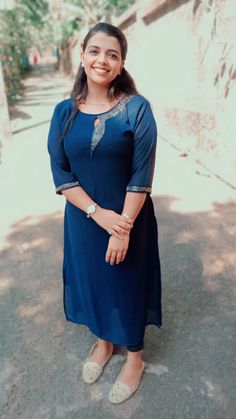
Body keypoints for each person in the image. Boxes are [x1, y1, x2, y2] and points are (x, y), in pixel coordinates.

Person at [47, 22, 162, 404]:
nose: (103, 59)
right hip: (84, 221)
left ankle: (134, 357)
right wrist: (98, 214)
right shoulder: (63, 112)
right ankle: (104, 342)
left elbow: (141, 174)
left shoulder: (137, 109)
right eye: (95, 51)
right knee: (94, 282)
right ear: (82, 56)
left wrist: (123, 228)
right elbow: (61, 173)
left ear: (121, 63)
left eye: (112, 54)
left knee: (127, 283)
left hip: (130, 219)